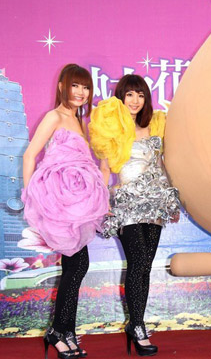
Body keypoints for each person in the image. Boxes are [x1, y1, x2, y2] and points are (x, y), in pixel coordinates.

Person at [89, 74, 180, 357]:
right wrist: (103, 201)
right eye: (130, 94)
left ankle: (136, 325)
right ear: (121, 97)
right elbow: (105, 168)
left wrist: (172, 199)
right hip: (127, 202)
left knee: (145, 265)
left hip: (155, 200)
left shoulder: (156, 124)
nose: (135, 100)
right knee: (138, 259)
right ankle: (137, 326)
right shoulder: (112, 128)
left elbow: (165, 163)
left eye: (140, 95)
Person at [22, 64, 109, 359]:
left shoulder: (78, 121)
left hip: (77, 202)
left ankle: (63, 331)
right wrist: (31, 195)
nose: (81, 93)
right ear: (62, 86)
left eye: (85, 87)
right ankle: (59, 332)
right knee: (76, 265)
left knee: (76, 266)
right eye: (75, 86)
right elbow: (31, 154)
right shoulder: (54, 116)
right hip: (59, 202)